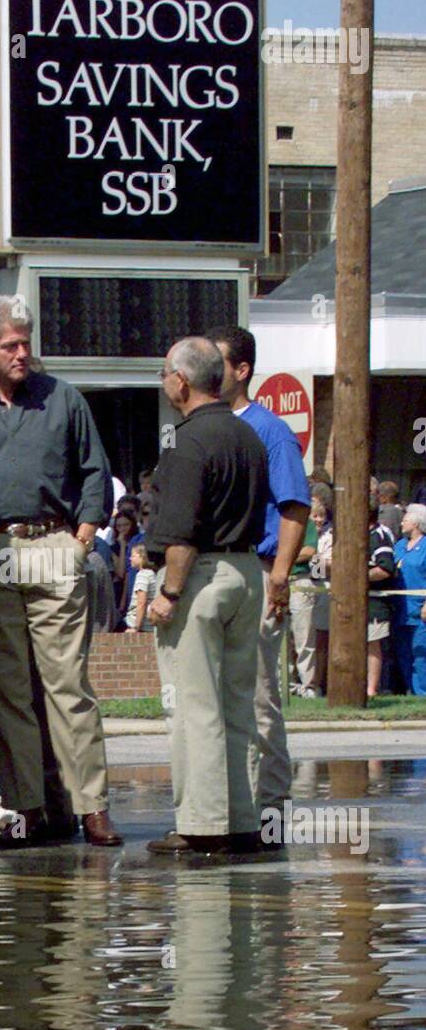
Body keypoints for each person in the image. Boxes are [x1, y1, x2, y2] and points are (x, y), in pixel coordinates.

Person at [0, 294, 123, 849]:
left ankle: (92, 808)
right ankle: (27, 807)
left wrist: (83, 539)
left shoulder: (62, 398)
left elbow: (94, 471)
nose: (21, 353)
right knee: (7, 690)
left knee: (68, 687)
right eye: (10, 345)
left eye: (25, 343)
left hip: (52, 542)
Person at [144, 337, 269, 853]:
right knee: (238, 702)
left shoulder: (184, 440)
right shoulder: (249, 434)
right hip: (246, 571)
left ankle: (200, 824)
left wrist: (169, 593)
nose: (164, 383)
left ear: (181, 380)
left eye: (165, 374)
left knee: (194, 706)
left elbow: (181, 530)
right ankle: (242, 820)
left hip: (200, 576)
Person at [208, 325, 310, 819]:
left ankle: (270, 803)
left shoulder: (270, 431)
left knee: (261, 694)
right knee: (225, 694)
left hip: (262, 567)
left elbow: (294, 507)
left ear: (241, 370)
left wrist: (280, 577)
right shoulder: (208, 427)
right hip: (220, 571)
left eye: (218, 362)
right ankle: (234, 799)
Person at [392, 503, 426, 695]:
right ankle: (409, 691)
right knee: (403, 654)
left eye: (405, 518)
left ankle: (422, 693)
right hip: (400, 609)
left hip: (420, 609)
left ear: (416, 523)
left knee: (420, 654)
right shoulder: (399, 545)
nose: (402, 521)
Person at [367, 497, 397, 697]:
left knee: (372, 644)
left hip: (375, 602)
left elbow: (386, 569)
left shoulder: (379, 536)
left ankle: (371, 689)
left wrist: (356, 579)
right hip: (349, 603)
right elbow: (318, 568)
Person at [288, 507, 319, 696]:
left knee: (304, 636)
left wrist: (283, 557)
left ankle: (308, 686)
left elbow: (309, 550)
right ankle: (285, 685)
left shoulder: (306, 523)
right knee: (278, 637)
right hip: (275, 580)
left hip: (300, 581)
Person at [310, 494, 334, 694]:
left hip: (323, 590)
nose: (318, 520)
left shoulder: (329, 538)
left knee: (320, 640)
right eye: (314, 516)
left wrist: (312, 559)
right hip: (303, 589)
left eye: (321, 516)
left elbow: (322, 568)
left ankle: (317, 683)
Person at [124, 542, 158, 633]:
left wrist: (136, 627)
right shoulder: (152, 573)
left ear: (142, 557)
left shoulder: (143, 575)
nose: (130, 559)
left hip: (141, 626)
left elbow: (141, 602)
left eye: (133, 556)